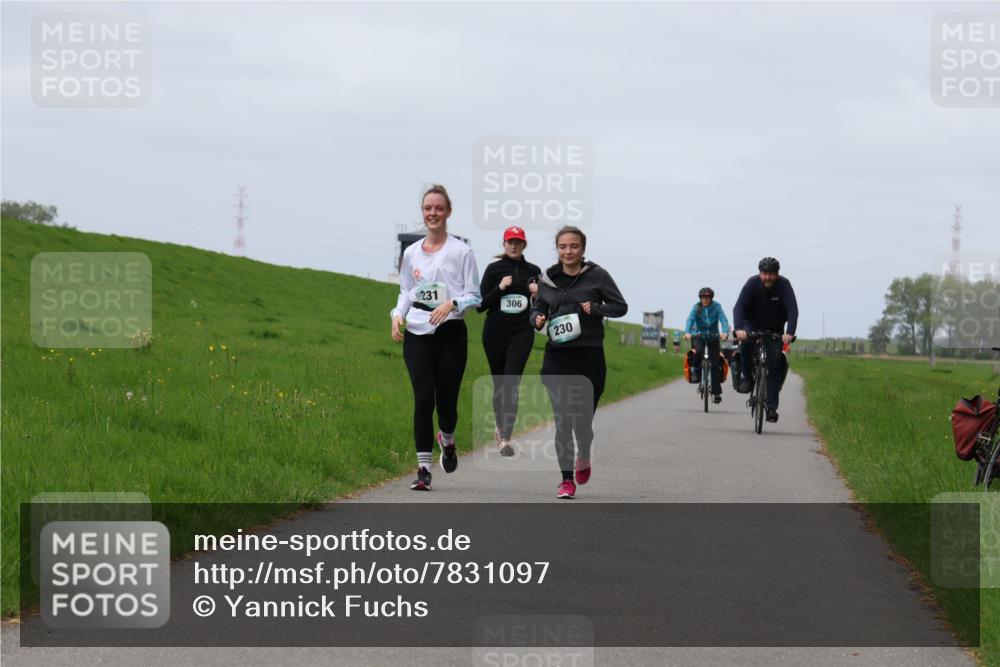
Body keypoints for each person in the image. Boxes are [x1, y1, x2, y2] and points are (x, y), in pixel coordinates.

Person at [391, 185, 481, 491]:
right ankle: (423, 470)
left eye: (439, 208)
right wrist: (397, 315)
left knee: (447, 403)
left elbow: (475, 296)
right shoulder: (411, 253)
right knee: (423, 399)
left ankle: (448, 439)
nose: (433, 213)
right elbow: (406, 291)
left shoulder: (461, 252)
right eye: (428, 208)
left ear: (448, 212)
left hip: (450, 332)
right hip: (417, 331)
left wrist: (452, 303)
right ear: (422, 212)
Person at [531, 226, 628, 499]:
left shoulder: (597, 276)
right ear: (557, 249)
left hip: (589, 357)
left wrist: (596, 309)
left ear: (583, 249)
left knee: (582, 425)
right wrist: (536, 318)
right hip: (557, 357)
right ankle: (566, 480)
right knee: (563, 421)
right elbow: (538, 306)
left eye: (574, 246)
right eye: (563, 246)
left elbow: (621, 306)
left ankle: (584, 451)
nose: (568, 251)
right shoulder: (548, 278)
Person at [477, 226, 542, 457]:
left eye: (518, 242)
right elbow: (480, 305)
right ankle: (499, 424)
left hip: (521, 333)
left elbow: (543, 305)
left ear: (524, 245)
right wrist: (500, 288)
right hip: (494, 333)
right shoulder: (494, 269)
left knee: (511, 383)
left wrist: (537, 293)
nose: (514, 246)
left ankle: (505, 438)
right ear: (504, 244)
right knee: (500, 384)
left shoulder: (534, 271)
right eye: (510, 242)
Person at [733, 257, 798, 423]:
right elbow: (738, 307)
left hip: (775, 328)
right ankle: (747, 378)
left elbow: (792, 309)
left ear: (777, 274)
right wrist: (739, 328)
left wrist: (789, 332)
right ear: (759, 273)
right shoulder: (752, 284)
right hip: (751, 324)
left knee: (773, 365)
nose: (768, 277)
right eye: (765, 273)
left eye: (771, 274)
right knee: (746, 343)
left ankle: (771, 408)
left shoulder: (784, 285)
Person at [683, 287, 730, 404]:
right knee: (698, 351)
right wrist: (687, 332)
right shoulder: (696, 307)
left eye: (707, 298)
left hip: (713, 337)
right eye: (703, 298)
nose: (704, 300)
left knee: (715, 364)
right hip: (699, 336)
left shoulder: (717, 307)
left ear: (711, 299)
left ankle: (716, 393)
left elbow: (723, 319)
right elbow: (690, 319)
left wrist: (725, 332)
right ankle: (696, 370)